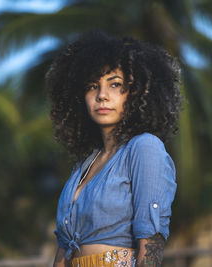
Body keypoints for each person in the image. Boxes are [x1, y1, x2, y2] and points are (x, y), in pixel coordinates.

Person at [46, 30, 182, 267]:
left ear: (137, 92)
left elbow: (151, 244)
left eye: (115, 84)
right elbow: (64, 249)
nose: (102, 96)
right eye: (92, 86)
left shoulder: (144, 148)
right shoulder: (84, 164)